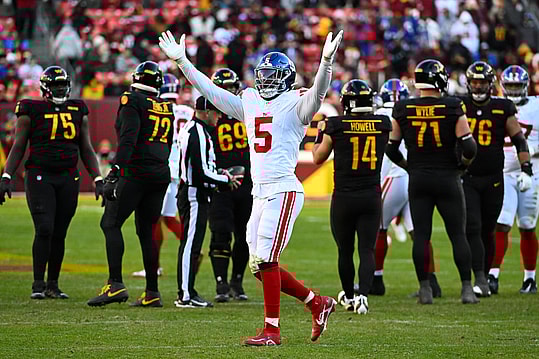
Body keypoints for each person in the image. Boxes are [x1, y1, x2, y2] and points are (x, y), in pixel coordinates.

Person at [159, 29, 343, 345]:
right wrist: (183, 61)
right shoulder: (249, 100)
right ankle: (317, 302)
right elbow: (210, 90)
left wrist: (326, 61)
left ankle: (272, 331)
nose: (266, 81)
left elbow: (319, 92)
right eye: (263, 75)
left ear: (286, 78)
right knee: (258, 266)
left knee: (267, 260)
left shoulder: (297, 103)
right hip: (259, 193)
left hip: (283, 190)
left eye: (273, 76)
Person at [0, 65, 104, 299]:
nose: (60, 89)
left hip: (68, 176)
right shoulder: (30, 109)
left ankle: (53, 284)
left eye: (63, 85)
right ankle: (38, 284)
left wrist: (97, 177)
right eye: (56, 86)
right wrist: (7, 175)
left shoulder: (77, 109)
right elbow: (19, 145)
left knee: (59, 232)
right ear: (45, 89)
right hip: (40, 175)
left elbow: (86, 148)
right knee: (44, 228)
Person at [386, 59, 479, 305]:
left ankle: (425, 288)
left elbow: (391, 149)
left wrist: (409, 166)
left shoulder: (403, 107)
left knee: (422, 236)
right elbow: (469, 146)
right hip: (448, 177)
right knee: (458, 235)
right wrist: (463, 166)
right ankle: (467, 289)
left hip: (419, 179)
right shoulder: (452, 105)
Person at [87, 61, 173, 308]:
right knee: (147, 231)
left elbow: (128, 139)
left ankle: (115, 285)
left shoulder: (132, 100)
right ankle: (152, 292)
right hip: (159, 173)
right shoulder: (166, 106)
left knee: (110, 222)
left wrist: (114, 171)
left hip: (137, 172)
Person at [312, 79, 392, 315]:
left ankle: (348, 296)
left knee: (345, 251)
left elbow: (318, 157)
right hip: (371, 195)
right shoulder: (383, 124)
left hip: (344, 196)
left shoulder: (334, 125)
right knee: (366, 249)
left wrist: (320, 135)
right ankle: (363, 297)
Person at [460, 61, 532, 297]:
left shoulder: (503, 107)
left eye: (482, 81)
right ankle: (478, 277)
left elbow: (519, 139)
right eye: (474, 81)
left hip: (494, 178)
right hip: (468, 176)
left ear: (490, 84)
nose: (478, 86)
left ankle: (488, 277)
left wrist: (526, 167)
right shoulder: (459, 105)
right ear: (469, 83)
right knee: (472, 226)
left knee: (489, 229)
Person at [372, 78, 443, 297]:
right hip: (414, 176)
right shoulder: (410, 112)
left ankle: (376, 280)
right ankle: (432, 282)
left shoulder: (379, 117)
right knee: (419, 234)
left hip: (394, 176)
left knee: (378, 228)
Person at [174, 96, 242, 309]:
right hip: (195, 193)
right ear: (205, 112)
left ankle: (188, 291)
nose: (220, 116)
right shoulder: (198, 132)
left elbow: (200, 167)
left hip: (194, 191)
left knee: (192, 245)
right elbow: (201, 172)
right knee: (190, 246)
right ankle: (185, 294)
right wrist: (226, 179)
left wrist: (219, 173)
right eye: (216, 112)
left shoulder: (195, 129)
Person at [131, 73, 194, 278]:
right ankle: (193, 248)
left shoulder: (159, 109)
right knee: (168, 217)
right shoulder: (189, 111)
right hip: (181, 170)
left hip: (163, 167)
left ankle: (154, 265)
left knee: (154, 219)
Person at [489, 65, 538, 294]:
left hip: (532, 172)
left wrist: (534, 149)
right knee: (502, 223)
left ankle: (529, 279)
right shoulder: (496, 105)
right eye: (510, 86)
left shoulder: (536, 106)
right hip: (504, 172)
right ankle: (493, 275)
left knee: (527, 225)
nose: (515, 91)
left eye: (518, 86)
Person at [208, 68, 252, 302]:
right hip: (220, 183)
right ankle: (221, 283)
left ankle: (237, 280)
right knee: (220, 234)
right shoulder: (209, 114)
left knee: (246, 235)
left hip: (247, 183)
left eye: (229, 89)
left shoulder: (247, 110)